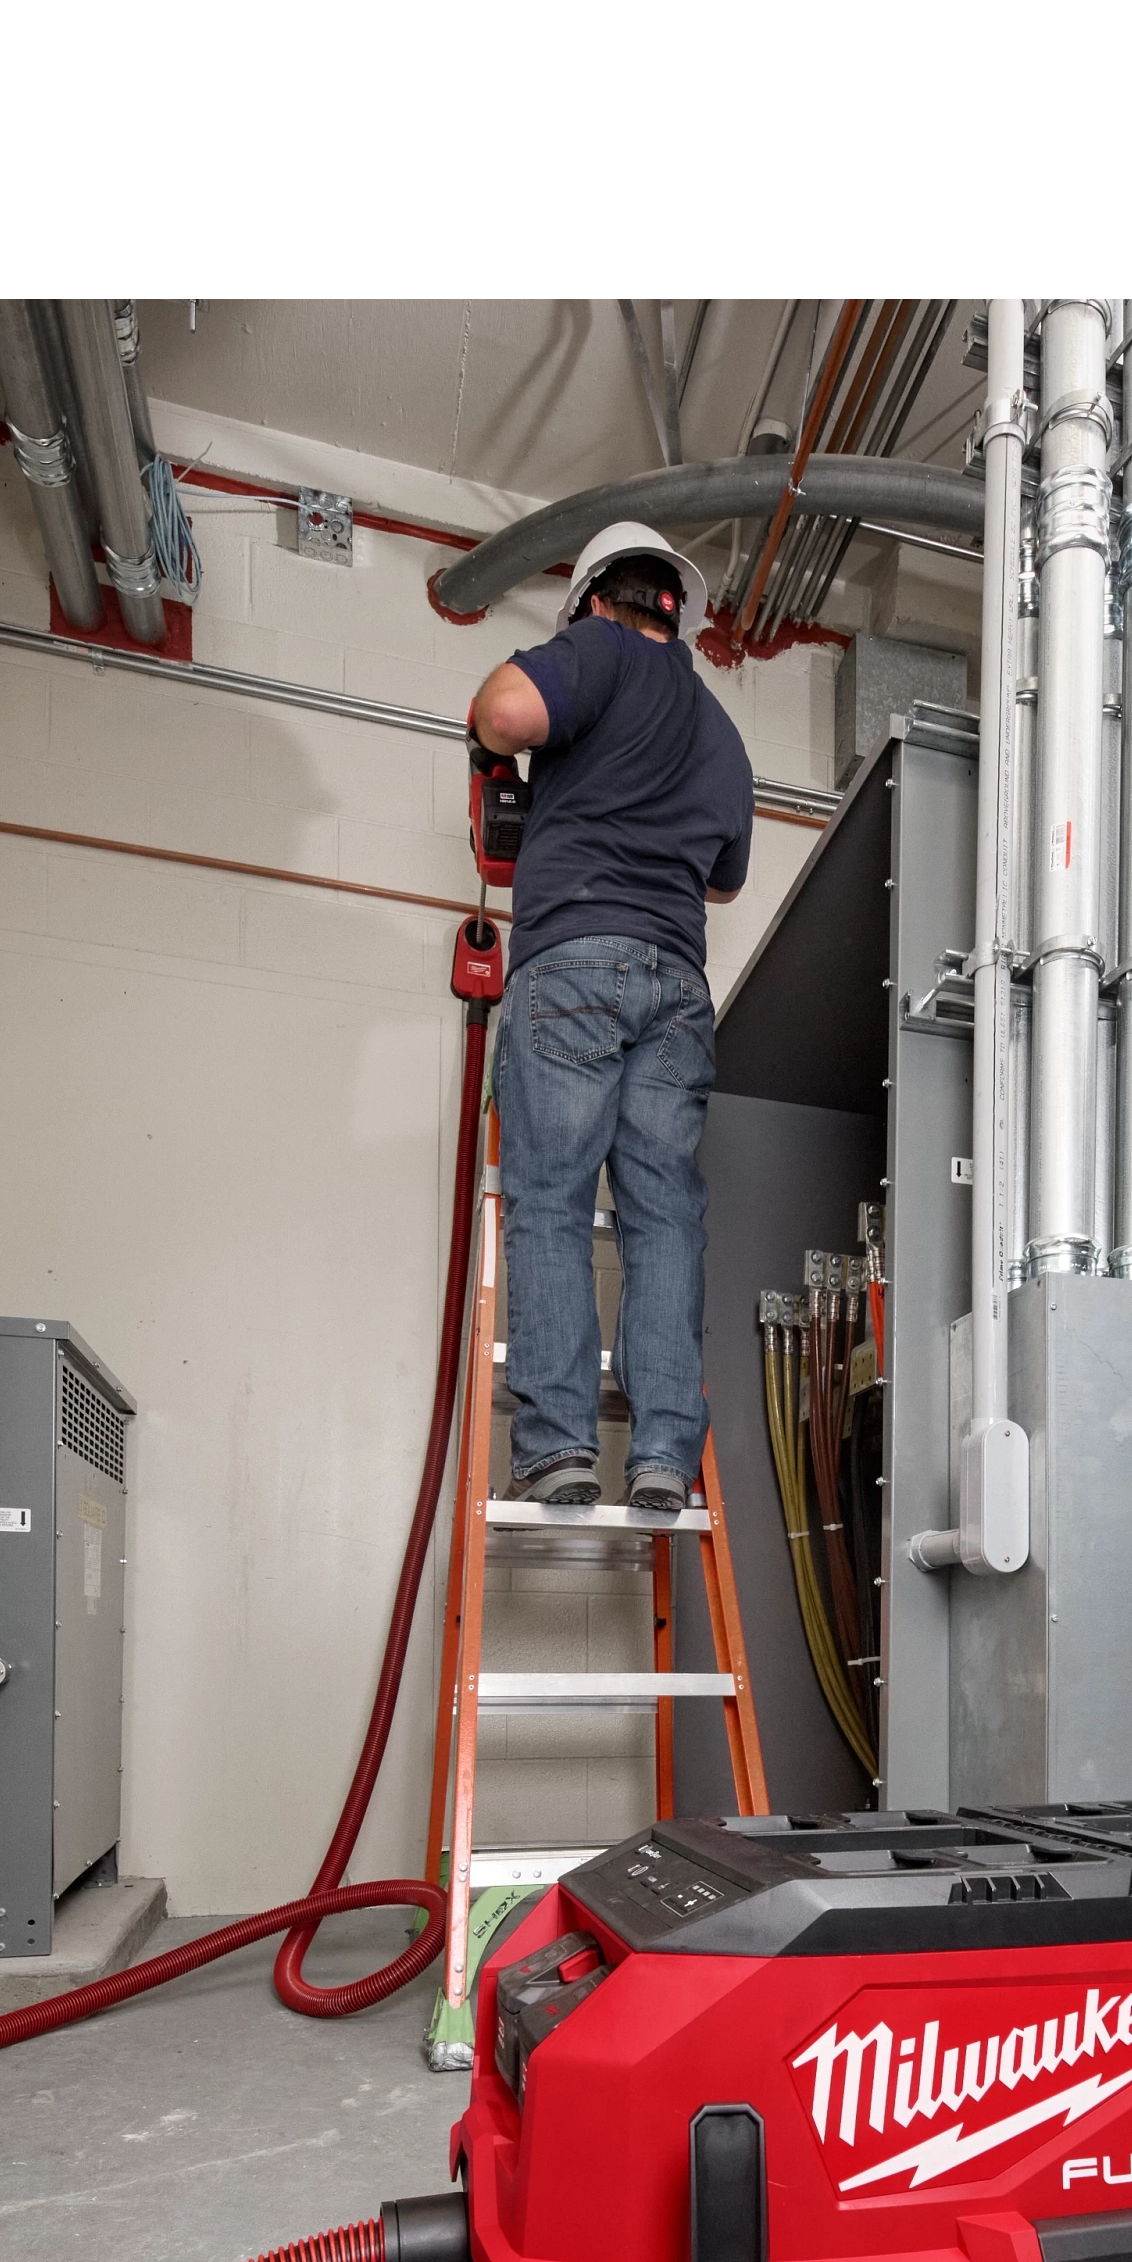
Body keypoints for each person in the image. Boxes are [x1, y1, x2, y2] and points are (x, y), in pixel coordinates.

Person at [465, 521, 758, 1516]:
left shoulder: (595, 652)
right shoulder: (719, 730)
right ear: (676, 614)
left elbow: (506, 711)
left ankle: (555, 1450)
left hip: (575, 959)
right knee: (661, 1217)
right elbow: (721, 881)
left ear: (593, 599)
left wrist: (491, 738)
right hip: (677, 988)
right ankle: (665, 1449)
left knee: (549, 1200)